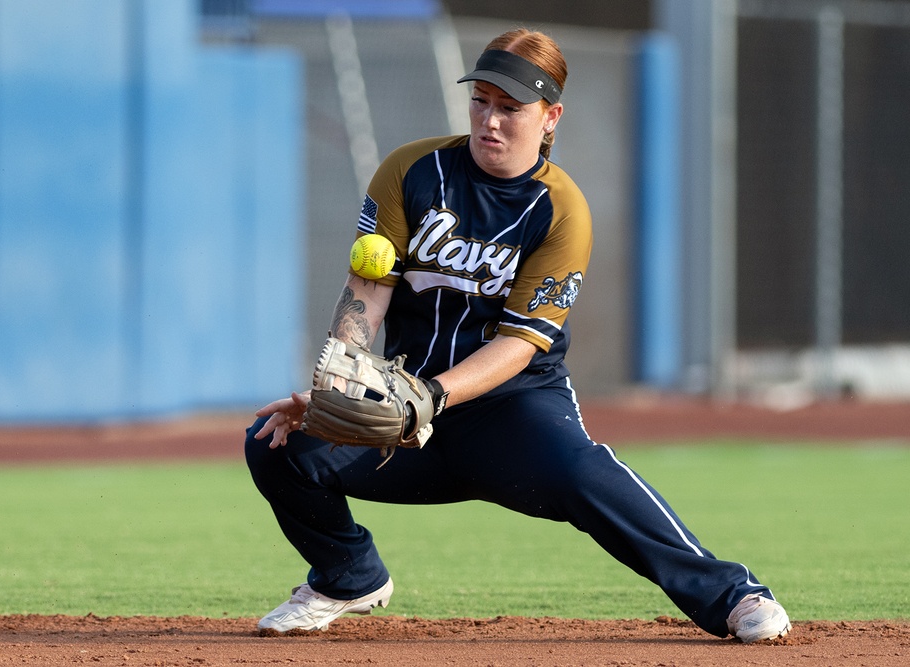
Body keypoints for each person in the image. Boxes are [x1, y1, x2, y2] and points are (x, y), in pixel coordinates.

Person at [244, 28, 791, 643]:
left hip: (513, 411)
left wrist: (429, 397)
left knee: (586, 476)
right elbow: (368, 292)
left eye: (511, 108)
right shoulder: (411, 172)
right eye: (481, 101)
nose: (491, 121)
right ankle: (348, 576)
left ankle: (731, 594)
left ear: (550, 116)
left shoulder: (562, 210)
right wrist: (340, 385)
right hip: (404, 403)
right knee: (275, 442)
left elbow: (518, 343)